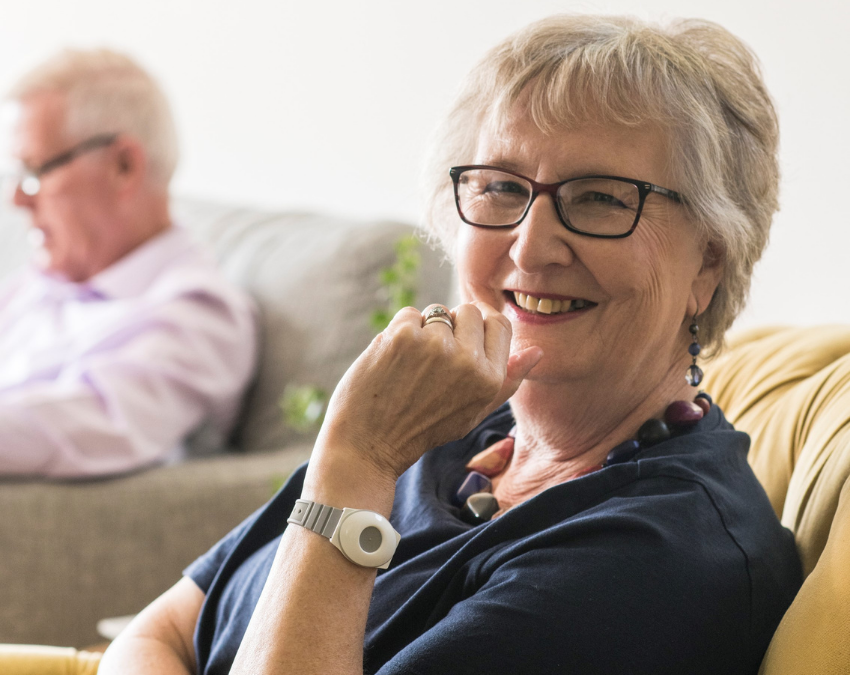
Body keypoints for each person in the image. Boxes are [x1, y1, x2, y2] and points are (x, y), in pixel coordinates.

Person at [99, 15, 801, 675]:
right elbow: (159, 630)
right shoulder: (448, 427)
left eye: (599, 198)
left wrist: (355, 460)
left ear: (708, 260)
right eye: (500, 186)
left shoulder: (658, 557)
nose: (530, 245)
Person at [0, 49, 257, 477]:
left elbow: (80, 427)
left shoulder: (201, 315)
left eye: (35, 170)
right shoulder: (38, 284)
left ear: (123, 165)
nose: (17, 199)